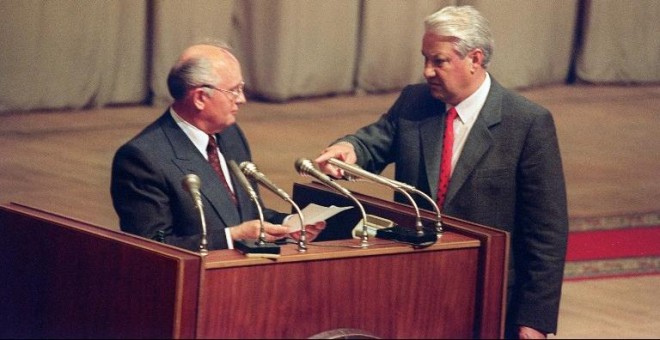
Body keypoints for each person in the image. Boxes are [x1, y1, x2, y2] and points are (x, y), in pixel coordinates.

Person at [315, 6, 568, 339]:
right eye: (425, 60)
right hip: (413, 287)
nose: (427, 71)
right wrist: (350, 150)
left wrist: (534, 319)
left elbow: (547, 232)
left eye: (438, 61)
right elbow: (374, 142)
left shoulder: (526, 123)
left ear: (475, 59)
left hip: (486, 294)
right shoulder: (415, 103)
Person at [111, 42, 324, 252]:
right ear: (201, 98)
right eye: (234, 90)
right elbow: (153, 247)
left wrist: (287, 225)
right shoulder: (142, 159)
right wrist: (230, 238)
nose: (242, 99)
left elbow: (246, 213)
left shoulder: (230, 134)